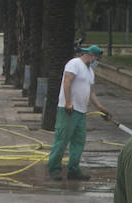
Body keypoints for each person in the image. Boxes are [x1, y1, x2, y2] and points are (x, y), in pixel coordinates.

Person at [47, 44, 109, 181]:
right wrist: (68, 102)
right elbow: (67, 82)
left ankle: (73, 170)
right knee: (62, 140)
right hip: (68, 109)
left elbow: (91, 93)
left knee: (78, 142)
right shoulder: (74, 63)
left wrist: (101, 108)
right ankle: (54, 169)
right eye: (97, 59)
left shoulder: (90, 72)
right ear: (91, 55)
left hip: (81, 112)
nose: (97, 62)